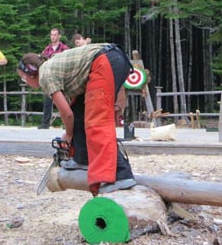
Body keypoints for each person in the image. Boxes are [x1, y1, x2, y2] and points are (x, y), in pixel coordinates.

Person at [17, 43, 137, 195]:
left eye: (24, 78)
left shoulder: (45, 75)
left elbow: (66, 114)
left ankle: (121, 174)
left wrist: (68, 134)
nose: (25, 82)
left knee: (96, 122)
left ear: (30, 73)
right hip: (108, 60)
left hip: (104, 62)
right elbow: (73, 113)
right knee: (80, 111)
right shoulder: (52, 66)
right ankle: (82, 158)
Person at [38, 28, 70, 129]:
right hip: (50, 78)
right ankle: (45, 123)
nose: (53, 37)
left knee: (65, 101)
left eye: (55, 35)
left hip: (61, 77)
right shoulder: (47, 49)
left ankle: (67, 123)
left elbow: (69, 60)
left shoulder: (65, 48)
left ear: (59, 36)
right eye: (52, 35)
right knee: (48, 101)